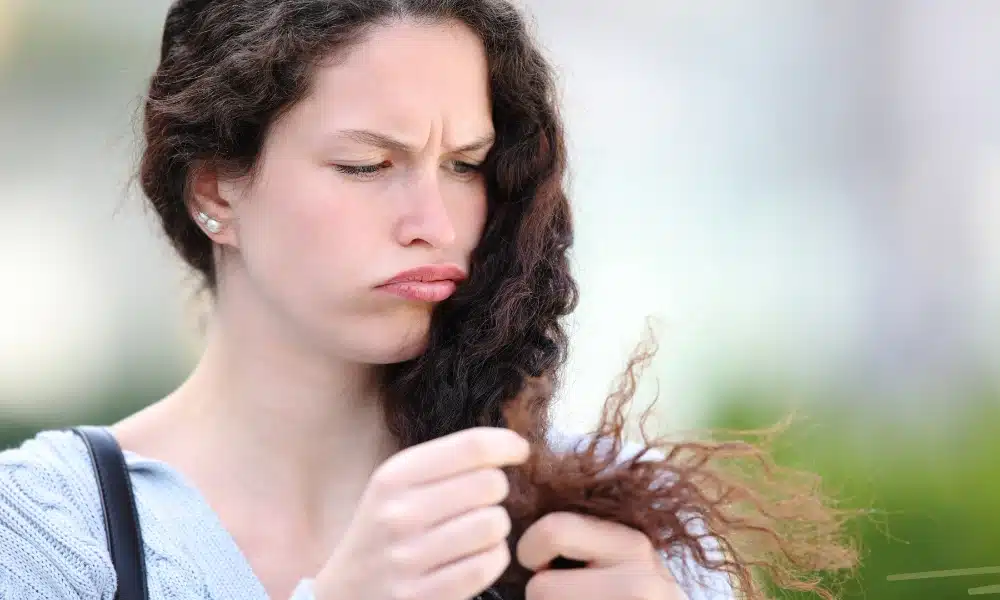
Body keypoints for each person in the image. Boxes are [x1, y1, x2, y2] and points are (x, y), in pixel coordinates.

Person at [0, 1, 742, 599]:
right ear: (215, 188)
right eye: (366, 165)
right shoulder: (48, 528)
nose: (437, 225)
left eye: (465, 165)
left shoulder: (614, 519)